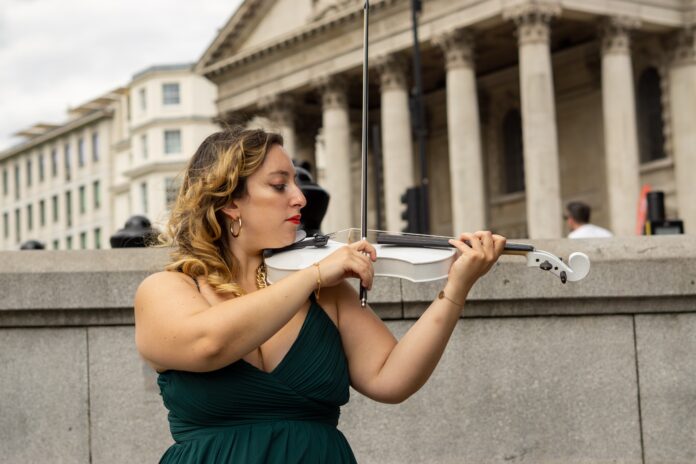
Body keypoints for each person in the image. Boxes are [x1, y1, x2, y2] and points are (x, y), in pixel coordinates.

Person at [134, 127, 506, 463]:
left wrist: (455, 289)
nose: (299, 198)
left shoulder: (326, 293)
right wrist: (313, 276)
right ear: (231, 202)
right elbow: (209, 344)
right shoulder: (168, 289)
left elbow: (391, 379)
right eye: (280, 186)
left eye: (295, 184)